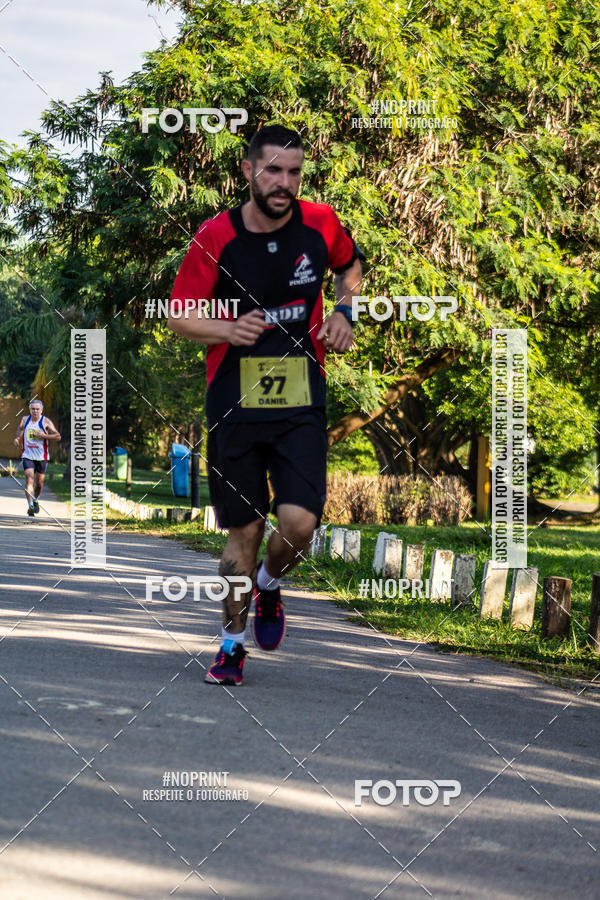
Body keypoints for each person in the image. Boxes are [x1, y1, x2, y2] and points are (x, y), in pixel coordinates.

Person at [168, 124, 363, 685]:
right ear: (249, 171)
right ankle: (230, 645)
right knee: (244, 533)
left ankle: (270, 586)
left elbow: (350, 266)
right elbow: (179, 314)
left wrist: (345, 313)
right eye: (273, 171)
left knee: (299, 525)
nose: (284, 183)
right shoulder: (215, 237)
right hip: (234, 401)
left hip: (301, 393)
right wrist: (228, 327)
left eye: (294, 173)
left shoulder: (320, 223)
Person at [14, 400, 61, 516]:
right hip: (27, 455)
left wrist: (44, 435)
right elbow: (20, 429)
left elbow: (58, 436)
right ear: (30, 410)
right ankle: (30, 506)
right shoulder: (25, 419)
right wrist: (18, 438)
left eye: (37, 409)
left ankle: (35, 499)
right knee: (29, 479)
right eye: (32, 409)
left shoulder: (45, 421)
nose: (35, 411)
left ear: (41, 410)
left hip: (42, 456)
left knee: (39, 484)